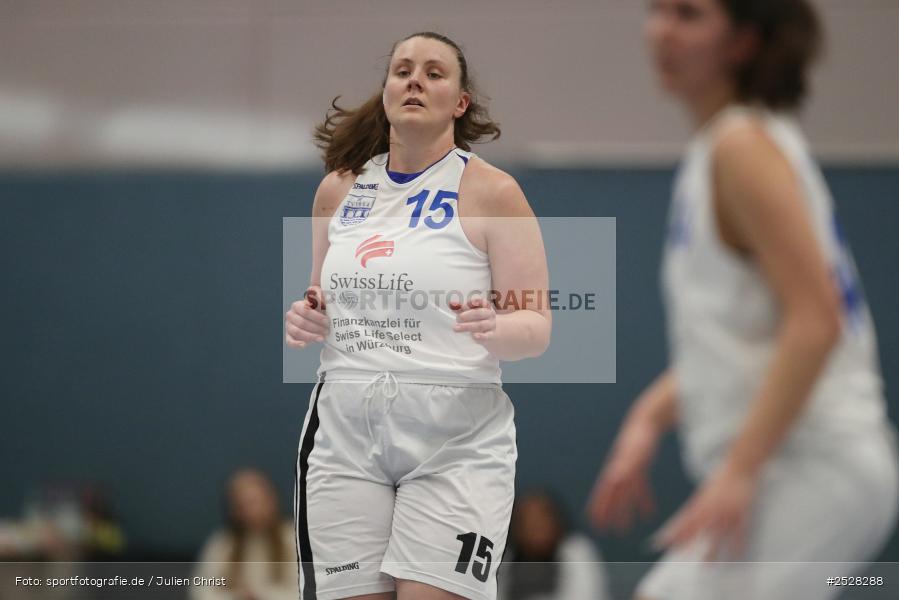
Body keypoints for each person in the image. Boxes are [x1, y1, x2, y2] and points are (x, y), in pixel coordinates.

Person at [587, 1, 898, 599]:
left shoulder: (741, 149)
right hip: (814, 469)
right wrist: (648, 417)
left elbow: (816, 321)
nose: (661, 30)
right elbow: (751, 339)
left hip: (814, 466)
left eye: (688, 14)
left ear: (744, 42)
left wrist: (739, 470)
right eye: (657, 11)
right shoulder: (722, 150)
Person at [284, 31, 550, 600]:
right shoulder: (339, 189)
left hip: (455, 433)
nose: (414, 80)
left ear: (460, 102)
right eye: (402, 70)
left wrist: (496, 328)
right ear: (385, 91)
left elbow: (536, 330)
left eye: (433, 72)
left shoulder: (494, 192)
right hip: (348, 428)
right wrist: (307, 318)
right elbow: (318, 298)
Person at [191, 469, 298, 600]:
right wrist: (237, 596)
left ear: (272, 499)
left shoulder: (294, 538)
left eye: (258, 501)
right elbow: (200, 591)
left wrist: (261, 595)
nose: (254, 511)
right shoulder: (223, 543)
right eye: (244, 504)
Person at [498, 490, 610, 600]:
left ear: (556, 521)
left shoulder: (577, 551)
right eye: (528, 521)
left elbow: (587, 595)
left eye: (541, 519)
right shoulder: (505, 558)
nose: (535, 527)